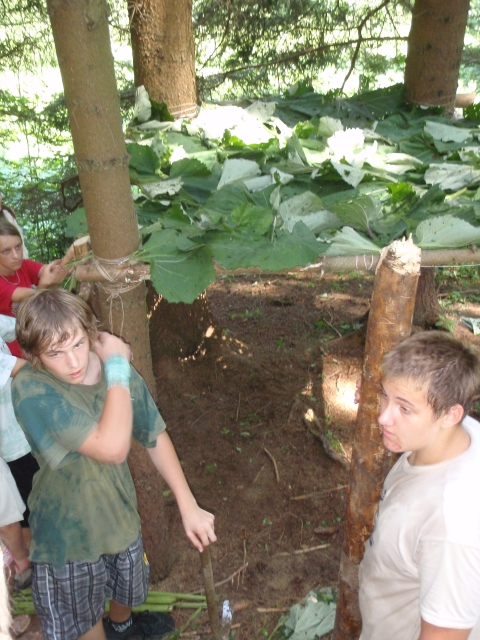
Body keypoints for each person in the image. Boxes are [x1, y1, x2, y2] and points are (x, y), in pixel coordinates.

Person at [11, 289, 216, 640]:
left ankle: (121, 625)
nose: (73, 362)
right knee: (84, 615)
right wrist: (118, 366)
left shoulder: (112, 370)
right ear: (34, 356)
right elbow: (112, 449)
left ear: (91, 334)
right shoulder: (31, 389)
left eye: (78, 344)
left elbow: (153, 434)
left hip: (120, 517)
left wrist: (188, 504)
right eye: (55, 353)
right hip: (68, 537)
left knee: (126, 588)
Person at [358, 331, 480, 640]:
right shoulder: (464, 431)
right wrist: (393, 397)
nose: (383, 417)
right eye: (384, 396)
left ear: (450, 415)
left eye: (404, 408)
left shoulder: (448, 527)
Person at [0, 219, 74, 357]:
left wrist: (63, 264)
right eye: (6, 251)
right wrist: (44, 284)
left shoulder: (23, 266)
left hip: (36, 339)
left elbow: (47, 271)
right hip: (13, 353)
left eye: (18, 247)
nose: (16, 255)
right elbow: (32, 299)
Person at [0, 314, 37, 554]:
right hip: (13, 444)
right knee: (29, 510)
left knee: (26, 508)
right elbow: (21, 369)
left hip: (23, 431)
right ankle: (38, 563)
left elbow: (19, 327)